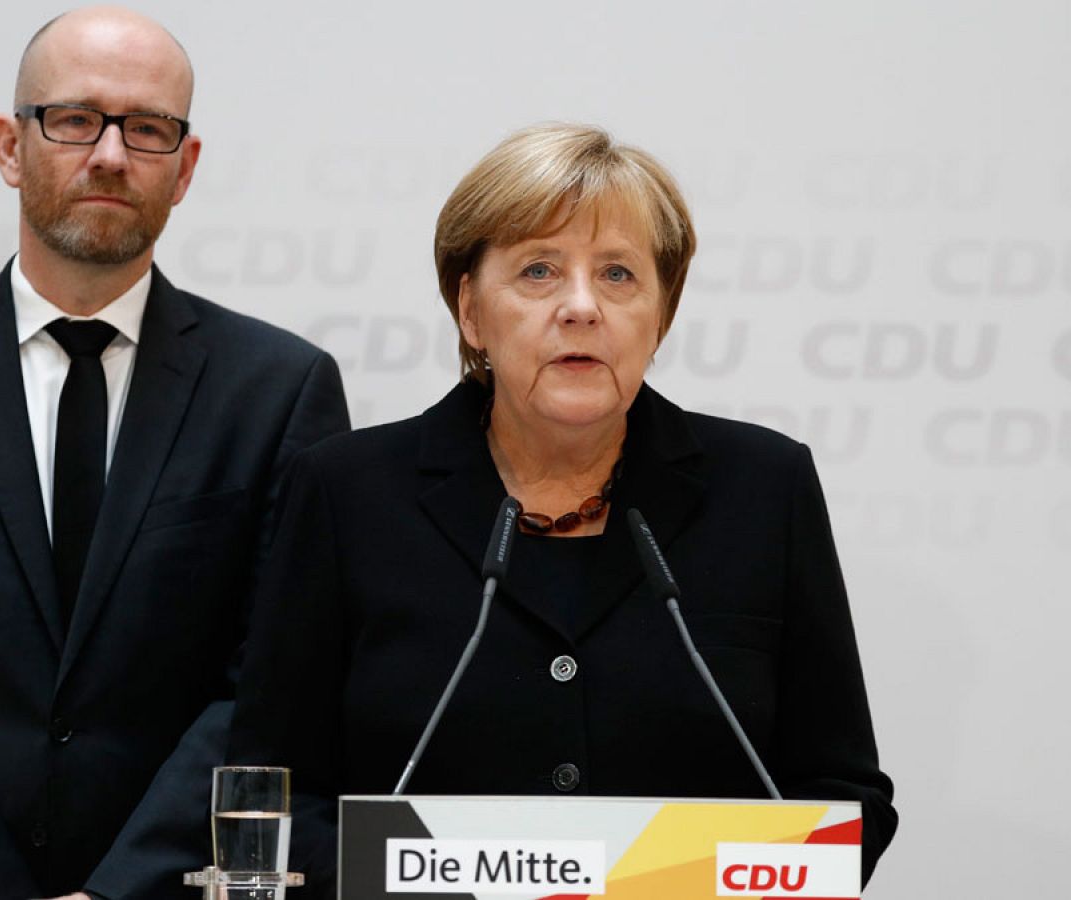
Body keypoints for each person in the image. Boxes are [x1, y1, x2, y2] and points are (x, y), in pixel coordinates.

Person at [228, 123, 896, 896]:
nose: (581, 308)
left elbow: (844, 795)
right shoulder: (347, 491)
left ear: (662, 313)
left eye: (617, 275)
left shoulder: (764, 487)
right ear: (471, 311)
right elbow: (269, 797)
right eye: (539, 271)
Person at [0, 7, 349, 899]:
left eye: (149, 128)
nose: (112, 154)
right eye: (76, 118)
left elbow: (274, 684)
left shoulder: (281, 391)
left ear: (185, 167)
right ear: (12, 147)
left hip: (174, 883)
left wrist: (119, 890)